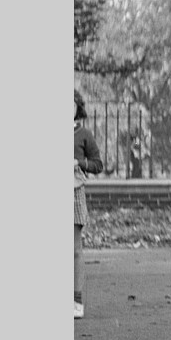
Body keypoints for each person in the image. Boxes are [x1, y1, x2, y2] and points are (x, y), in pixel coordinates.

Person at [74, 90, 104, 320]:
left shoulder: (83, 133)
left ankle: (76, 300)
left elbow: (98, 164)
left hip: (72, 192)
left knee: (74, 250)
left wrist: (79, 162)